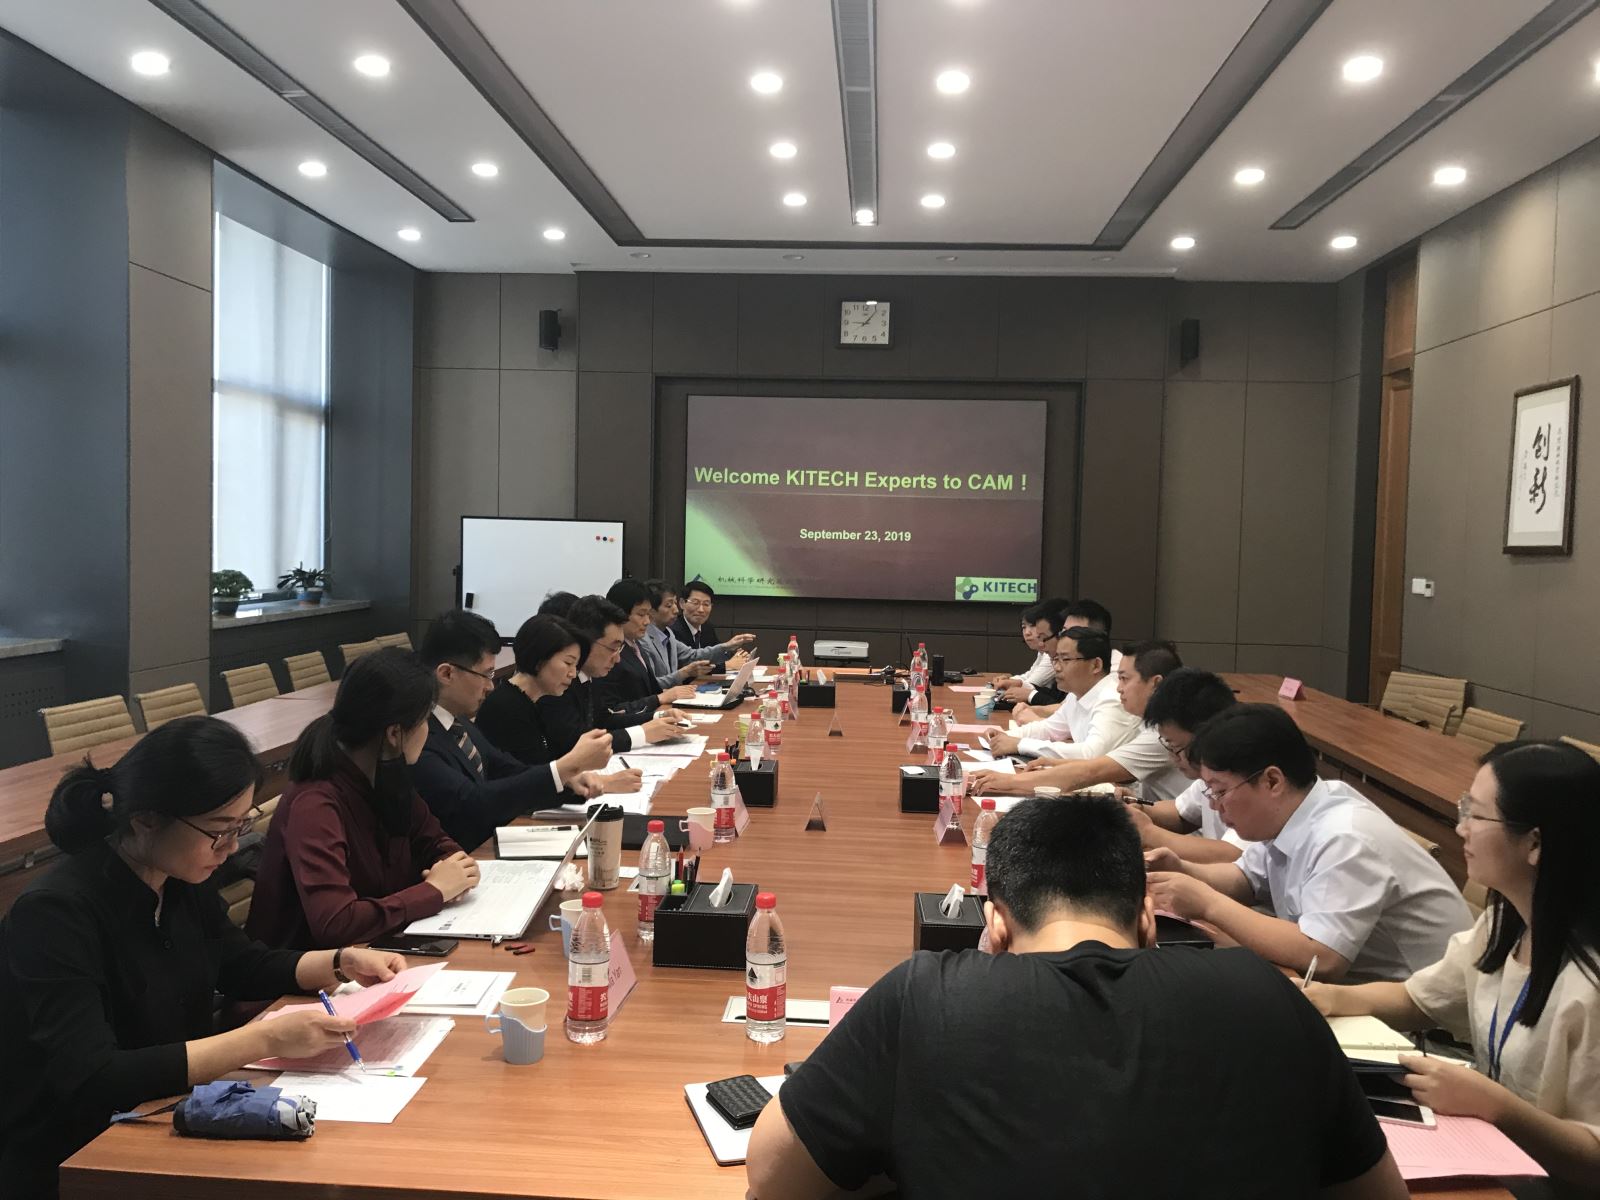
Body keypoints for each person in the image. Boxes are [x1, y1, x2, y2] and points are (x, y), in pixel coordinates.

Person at [745, 795, 1407, 1199]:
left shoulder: (925, 995)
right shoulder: (1266, 992)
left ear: (994, 925)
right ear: (1147, 919)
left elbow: (772, 1178)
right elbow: (1377, 1193)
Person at [0, 716, 406, 1197]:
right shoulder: (55, 913)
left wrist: (339, 961)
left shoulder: (177, 879)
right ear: (146, 820)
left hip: (169, 1119)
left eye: (241, 826)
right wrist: (263, 1038)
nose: (231, 848)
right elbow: (94, 1076)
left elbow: (242, 965)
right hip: (78, 1156)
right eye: (219, 831)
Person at [1305, 741, 1600, 1192]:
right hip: (1496, 1151)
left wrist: (1497, 1106)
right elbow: (1419, 999)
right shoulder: (1504, 922)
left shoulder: (1589, 981)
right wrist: (1332, 997)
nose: (1460, 828)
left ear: (1535, 843)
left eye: (1476, 815)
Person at [1145, 704, 1472, 982]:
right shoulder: (1296, 810)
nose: (1214, 806)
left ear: (1272, 781)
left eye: (1220, 791)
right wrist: (1183, 870)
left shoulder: (1345, 837)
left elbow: (1322, 955)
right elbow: (1245, 878)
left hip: (1418, 1021)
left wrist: (1207, 903)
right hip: (1353, 992)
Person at [247, 648, 480, 951]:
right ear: (395, 734)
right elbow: (336, 923)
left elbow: (437, 843)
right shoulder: (315, 802)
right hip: (311, 971)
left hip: (377, 952)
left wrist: (454, 870)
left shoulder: (387, 774)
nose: (428, 730)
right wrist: (434, 890)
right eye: (425, 720)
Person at [412, 610, 609, 851]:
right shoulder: (416, 734)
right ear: (447, 673)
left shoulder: (458, 721)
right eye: (486, 674)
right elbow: (473, 801)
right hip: (460, 856)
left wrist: (567, 780)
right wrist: (565, 767)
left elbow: (506, 767)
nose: (490, 686)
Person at [971, 642, 1189, 801]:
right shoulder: (1151, 721)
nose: (1119, 687)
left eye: (1124, 679)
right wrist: (1056, 765)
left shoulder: (1165, 732)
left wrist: (1009, 781)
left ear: (1155, 684)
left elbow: (1092, 770)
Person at [475, 616, 629, 794]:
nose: (573, 674)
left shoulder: (533, 699)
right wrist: (584, 769)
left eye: (576, 666)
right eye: (568, 663)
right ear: (539, 659)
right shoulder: (506, 707)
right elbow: (524, 783)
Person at [1125, 667, 1249, 864]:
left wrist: (1148, 832)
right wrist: (1135, 808)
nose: (1172, 756)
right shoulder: (1209, 773)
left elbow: (1233, 855)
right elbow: (1181, 813)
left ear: (1205, 733)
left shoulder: (1247, 775)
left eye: (1175, 747)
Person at [550, 596, 691, 755]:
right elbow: (575, 744)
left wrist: (659, 716)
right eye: (613, 649)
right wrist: (642, 734)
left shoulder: (588, 676)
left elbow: (605, 720)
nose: (617, 659)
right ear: (584, 642)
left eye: (620, 649)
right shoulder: (559, 683)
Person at [983, 626, 1139, 761]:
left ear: (1096, 665)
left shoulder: (1112, 699)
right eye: (1056, 659)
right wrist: (1005, 735)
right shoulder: (1076, 695)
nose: (1057, 667)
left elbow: (1090, 754)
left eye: (1065, 659)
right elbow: (1049, 729)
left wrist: (1020, 744)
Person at [592, 579, 700, 712]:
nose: (647, 621)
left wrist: (673, 694)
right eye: (641, 614)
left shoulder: (636, 645)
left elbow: (648, 691)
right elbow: (611, 711)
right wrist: (659, 699)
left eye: (648, 615)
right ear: (620, 614)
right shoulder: (609, 653)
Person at [990, 596, 1067, 702]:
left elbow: (1033, 684)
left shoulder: (1059, 654)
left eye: (1032, 626)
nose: (1027, 632)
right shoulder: (1049, 651)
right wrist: (1012, 681)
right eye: (1024, 627)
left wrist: (1024, 689)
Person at [671, 579, 732, 650]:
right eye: (695, 603)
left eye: (706, 604)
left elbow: (718, 651)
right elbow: (689, 656)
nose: (701, 610)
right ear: (682, 603)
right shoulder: (673, 631)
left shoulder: (707, 628)